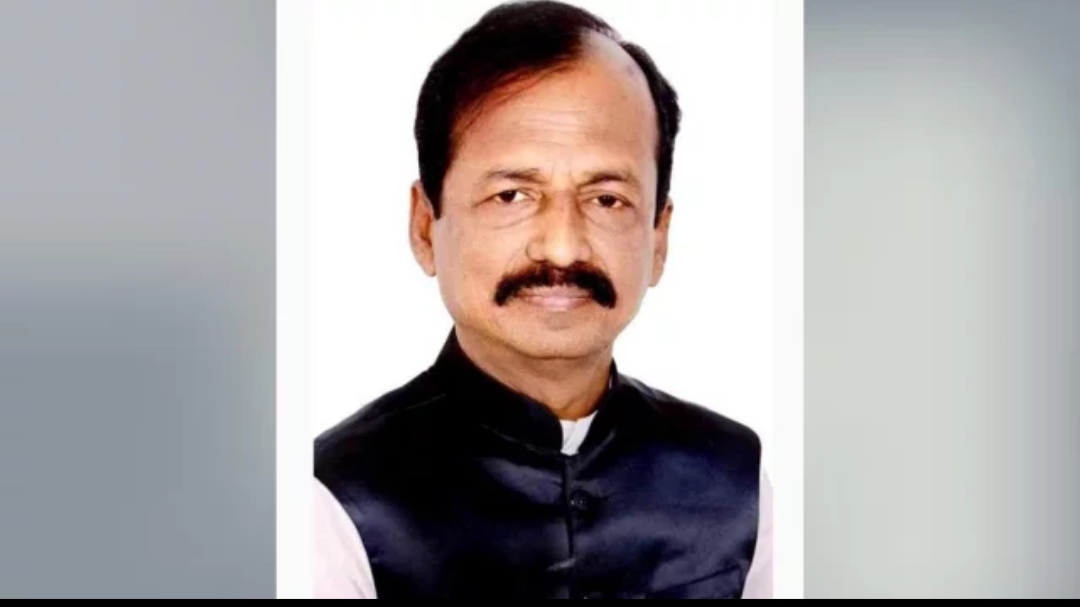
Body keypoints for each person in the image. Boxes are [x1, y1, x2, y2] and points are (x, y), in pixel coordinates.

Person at [313, 0, 772, 599]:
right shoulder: (331, 503)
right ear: (426, 226)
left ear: (658, 238)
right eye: (512, 195)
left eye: (606, 199)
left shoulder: (738, 484)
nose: (561, 246)